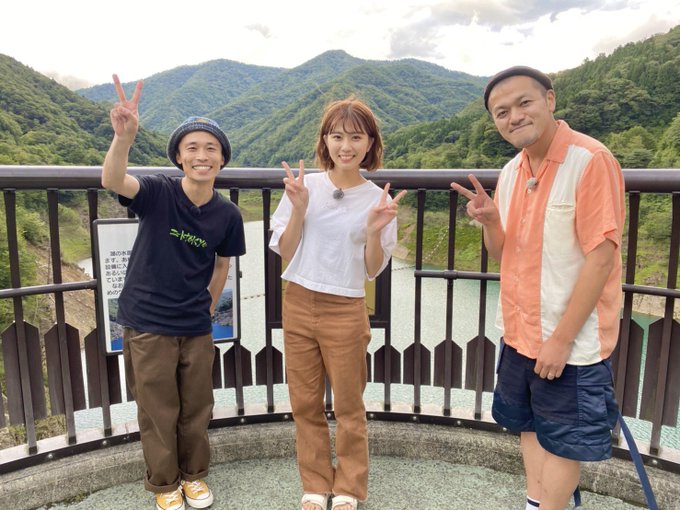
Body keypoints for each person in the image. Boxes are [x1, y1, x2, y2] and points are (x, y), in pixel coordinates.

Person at [451, 66, 625, 510]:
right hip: (520, 332)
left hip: (570, 341)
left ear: (549, 100)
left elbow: (601, 258)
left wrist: (561, 340)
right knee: (528, 424)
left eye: (523, 103)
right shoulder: (512, 171)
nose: (514, 116)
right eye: (501, 112)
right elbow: (502, 252)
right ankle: (536, 501)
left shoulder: (590, 160)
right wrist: (491, 222)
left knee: (565, 440)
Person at [101, 74, 246, 510]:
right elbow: (113, 180)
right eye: (192, 148)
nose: (202, 156)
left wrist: (207, 305)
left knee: (197, 407)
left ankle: (195, 477)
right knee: (157, 410)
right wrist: (123, 138)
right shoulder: (157, 192)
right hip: (147, 323)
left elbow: (222, 263)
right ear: (179, 157)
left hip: (195, 325)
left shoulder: (227, 214)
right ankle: (165, 484)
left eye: (211, 148)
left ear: (222, 159)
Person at [269, 98, 406, 510]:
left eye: (356, 137)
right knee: (304, 402)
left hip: (346, 307)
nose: (346, 146)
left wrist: (374, 230)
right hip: (298, 300)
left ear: (370, 144)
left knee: (348, 406)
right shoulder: (305, 187)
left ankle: (348, 487)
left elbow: (372, 269)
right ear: (325, 141)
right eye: (337, 136)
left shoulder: (377, 199)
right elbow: (286, 251)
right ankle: (315, 483)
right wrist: (298, 209)